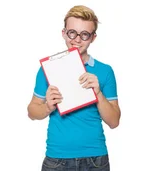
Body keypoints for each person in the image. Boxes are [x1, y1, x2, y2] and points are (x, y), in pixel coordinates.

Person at [27, 5, 121, 171]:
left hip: (95, 159)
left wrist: (97, 93)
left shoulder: (105, 71)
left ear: (93, 37)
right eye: (72, 32)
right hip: (57, 158)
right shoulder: (48, 69)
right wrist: (48, 106)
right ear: (64, 33)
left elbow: (114, 122)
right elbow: (32, 112)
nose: (77, 39)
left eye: (84, 34)